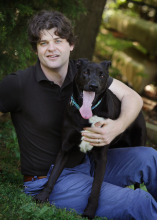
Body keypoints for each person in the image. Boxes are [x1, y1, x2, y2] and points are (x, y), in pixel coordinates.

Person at [0, 10, 157, 219]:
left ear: (71, 44)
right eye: (43, 43)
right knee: (140, 203)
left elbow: (134, 98)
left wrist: (116, 128)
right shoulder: (19, 83)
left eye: (58, 40)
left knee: (152, 158)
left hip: (89, 164)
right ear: (36, 49)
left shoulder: (85, 73)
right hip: (48, 180)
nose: (51, 49)